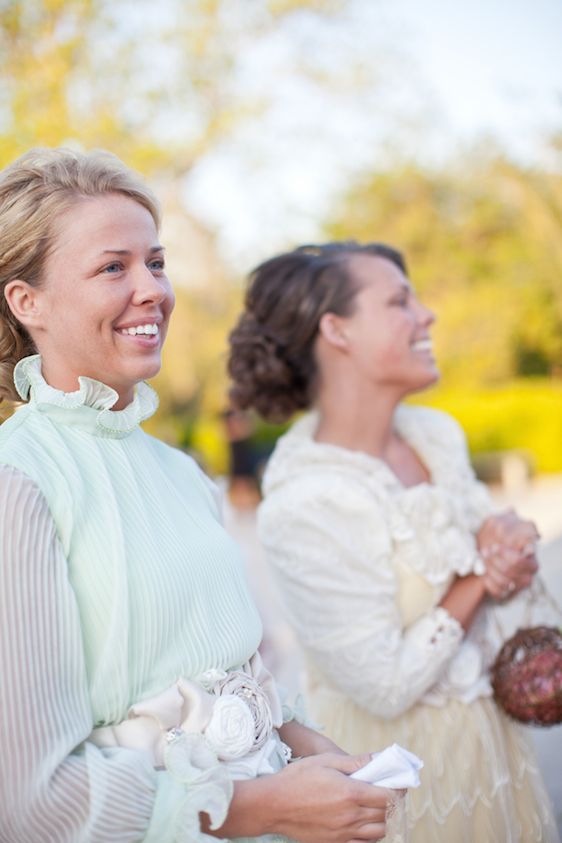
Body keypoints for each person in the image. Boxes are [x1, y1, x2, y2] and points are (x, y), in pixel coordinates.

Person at [0, 154, 397, 843]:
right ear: (26, 301)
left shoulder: (181, 473)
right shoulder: (19, 481)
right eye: (112, 267)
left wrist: (313, 751)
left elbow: (239, 670)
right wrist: (257, 807)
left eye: (156, 262)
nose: (152, 288)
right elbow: (35, 800)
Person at [228, 241, 561, 842]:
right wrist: (480, 577)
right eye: (399, 301)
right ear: (338, 330)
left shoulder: (437, 435)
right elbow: (384, 685)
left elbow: (498, 614)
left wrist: (511, 553)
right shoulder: (306, 502)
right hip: (395, 787)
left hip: (494, 758)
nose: (426, 315)